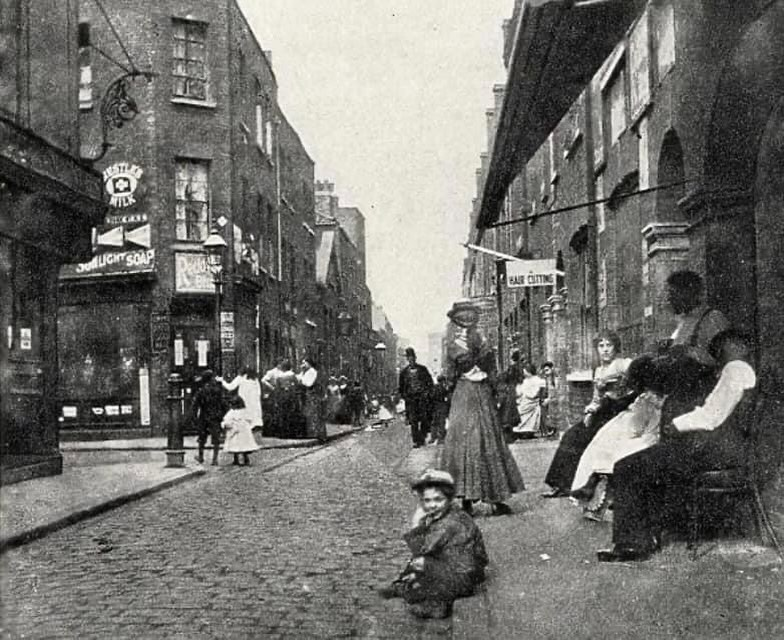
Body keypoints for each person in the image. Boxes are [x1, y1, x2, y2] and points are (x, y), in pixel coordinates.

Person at [597, 328, 757, 562]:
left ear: (740, 346)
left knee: (627, 466)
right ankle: (645, 535)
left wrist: (677, 424)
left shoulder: (736, 370)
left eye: (726, 346)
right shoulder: (739, 371)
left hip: (715, 453)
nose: (720, 352)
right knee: (645, 460)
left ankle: (633, 544)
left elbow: (712, 417)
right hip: (720, 449)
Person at [440, 300, 525, 516]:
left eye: (469, 319)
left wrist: (497, 388)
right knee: (472, 442)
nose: (466, 323)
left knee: (486, 441)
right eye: (463, 319)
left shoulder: (477, 340)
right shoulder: (453, 343)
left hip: (478, 393)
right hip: (467, 394)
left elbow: (487, 369)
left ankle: (492, 498)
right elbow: (449, 374)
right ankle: (469, 498)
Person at [378, 469, 488, 619]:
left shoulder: (449, 523)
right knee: (422, 567)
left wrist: (416, 521)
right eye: (427, 501)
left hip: (463, 579)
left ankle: (436, 604)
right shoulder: (452, 513)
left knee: (420, 563)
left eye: (438, 499)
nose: (432, 506)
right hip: (465, 572)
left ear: (449, 499)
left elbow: (420, 550)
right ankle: (404, 585)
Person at [570, 354, 669, 520]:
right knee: (600, 445)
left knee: (614, 451)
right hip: (629, 428)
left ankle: (598, 490)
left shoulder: (652, 400)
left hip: (642, 434)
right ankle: (593, 490)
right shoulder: (644, 397)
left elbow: (641, 427)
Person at [541, 331, 634, 498]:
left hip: (619, 411)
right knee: (571, 435)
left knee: (585, 438)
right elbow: (596, 398)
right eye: (601, 346)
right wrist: (589, 410)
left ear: (616, 347)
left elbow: (635, 388)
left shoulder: (623, 365)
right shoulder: (598, 370)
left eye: (609, 345)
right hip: (601, 412)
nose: (605, 350)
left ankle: (582, 485)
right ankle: (563, 484)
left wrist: (619, 393)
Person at [656, 270, 730, 425]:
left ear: (688, 292)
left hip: (701, 399)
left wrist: (687, 352)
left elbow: (725, 363)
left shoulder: (713, 319)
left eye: (672, 293)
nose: (669, 298)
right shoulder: (685, 321)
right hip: (682, 396)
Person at [398, 347, 434, 448]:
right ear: (407, 360)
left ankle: (422, 437)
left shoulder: (423, 370)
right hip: (411, 400)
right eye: (409, 359)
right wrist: (405, 396)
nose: (411, 360)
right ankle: (416, 440)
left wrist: (427, 393)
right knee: (413, 420)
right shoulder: (404, 373)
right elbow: (401, 387)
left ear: (415, 358)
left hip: (422, 399)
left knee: (424, 419)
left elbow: (430, 383)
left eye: (412, 358)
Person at [191, 369, 227, 466]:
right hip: (215, 417)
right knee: (216, 438)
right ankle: (215, 459)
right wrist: (223, 415)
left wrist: (194, 417)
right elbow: (223, 403)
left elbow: (195, 405)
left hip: (204, 416)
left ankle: (201, 456)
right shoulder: (218, 390)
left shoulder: (201, 391)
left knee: (202, 438)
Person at [261, 359, 300, 437]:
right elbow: (296, 384)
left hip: (281, 395)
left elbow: (279, 385)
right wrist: (272, 388)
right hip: (289, 395)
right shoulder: (274, 372)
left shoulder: (280, 375)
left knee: (281, 413)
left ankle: (280, 431)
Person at [218, 367, 263, 431]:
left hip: (243, 401)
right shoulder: (255, 380)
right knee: (252, 420)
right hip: (254, 403)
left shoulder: (240, 378)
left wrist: (222, 381)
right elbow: (259, 393)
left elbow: (230, 387)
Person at [510, 362, 547, 439]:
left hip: (531, 400)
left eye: (525, 371)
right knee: (519, 409)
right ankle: (522, 429)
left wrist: (528, 394)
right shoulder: (526, 380)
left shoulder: (537, 380)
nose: (524, 373)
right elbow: (521, 391)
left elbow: (536, 393)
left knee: (523, 409)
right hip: (525, 399)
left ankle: (527, 429)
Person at [221, 395, 259, 466]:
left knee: (235, 445)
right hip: (244, 431)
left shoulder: (232, 412)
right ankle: (246, 459)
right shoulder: (245, 411)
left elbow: (227, 420)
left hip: (236, 431)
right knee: (244, 445)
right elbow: (250, 419)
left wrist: (225, 425)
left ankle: (236, 460)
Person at [297, 356, 327, 443]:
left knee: (315, 414)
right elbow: (298, 378)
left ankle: (318, 435)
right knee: (309, 414)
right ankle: (312, 434)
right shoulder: (305, 372)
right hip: (308, 396)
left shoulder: (312, 372)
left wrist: (301, 380)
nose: (302, 364)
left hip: (313, 396)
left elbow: (308, 383)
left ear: (309, 363)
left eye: (304, 363)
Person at [430, 374, 451, 445]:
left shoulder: (434, 387)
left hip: (435, 407)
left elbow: (431, 396)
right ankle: (441, 438)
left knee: (434, 422)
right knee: (441, 422)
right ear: (442, 381)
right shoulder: (444, 388)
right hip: (441, 406)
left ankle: (433, 437)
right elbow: (447, 398)